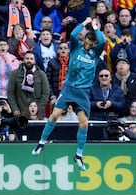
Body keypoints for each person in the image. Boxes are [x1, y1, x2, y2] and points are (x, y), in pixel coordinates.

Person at [31, 17, 105, 171]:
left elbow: (103, 41)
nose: (89, 43)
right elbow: (73, 34)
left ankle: (78, 155)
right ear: (84, 40)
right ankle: (41, 143)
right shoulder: (75, 47)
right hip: (69, 89)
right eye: (88, 39)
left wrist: (96, 27)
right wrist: (85, 22)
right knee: (55, 114)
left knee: (84, 123)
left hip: (83, 92)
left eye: (92, 41)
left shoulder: (95, 55)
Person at [7, 51, 50, 117]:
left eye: (31, 59)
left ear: (35, 61)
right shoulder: (15, 74)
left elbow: (46, 93)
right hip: (20, 110)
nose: (29, 60)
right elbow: (10, 93)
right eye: (27, 58)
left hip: (38, 112)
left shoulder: (41, 74)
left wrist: (38, 108)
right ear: (23, 60)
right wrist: (14, 108)